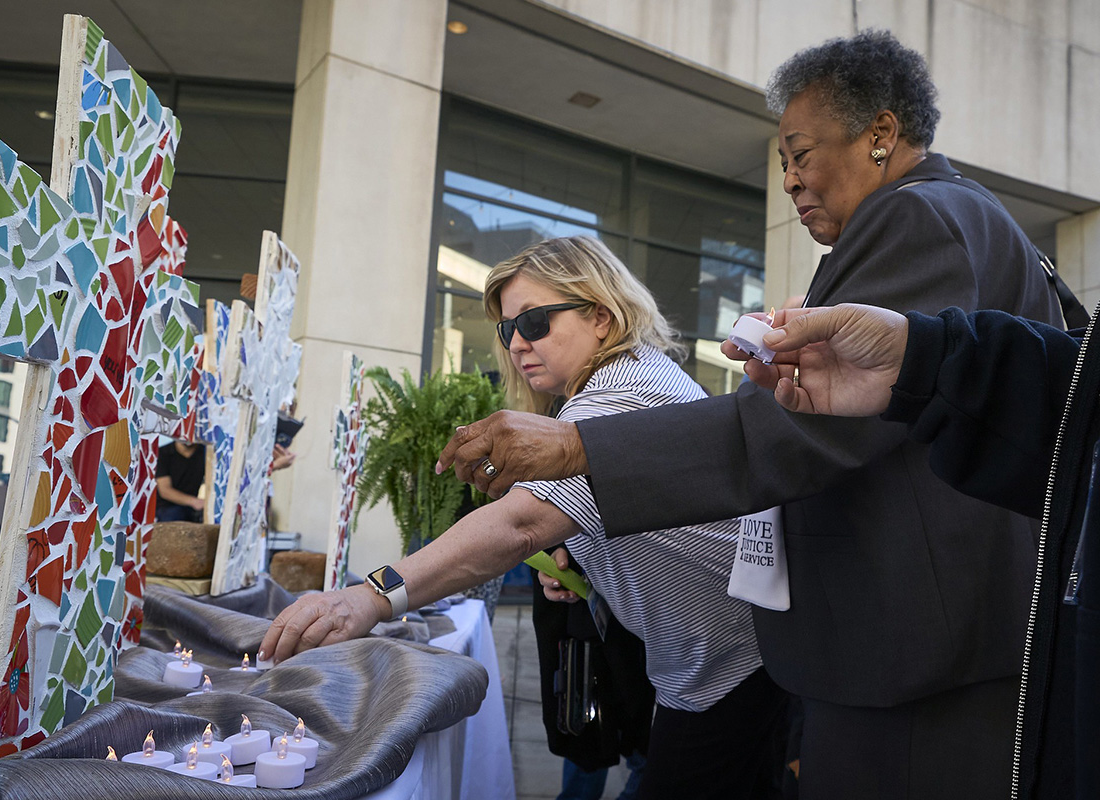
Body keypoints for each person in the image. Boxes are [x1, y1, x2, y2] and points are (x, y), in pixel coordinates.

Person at [436, 31, 1065, 799]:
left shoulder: (920, 218)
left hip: (919, 650)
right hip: (921, 642)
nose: (794, 181)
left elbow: (808, 437)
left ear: (881, 135)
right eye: (783, 166)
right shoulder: (946, 218)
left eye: (802, 154)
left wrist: (575, 446)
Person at [260, 236, 786, 797]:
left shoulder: (620, 391)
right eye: (508, 329)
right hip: (712, 666)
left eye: (533, 321)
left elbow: (518, 523)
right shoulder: (614, 385)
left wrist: (368, 596)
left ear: (602, 318)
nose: (517, 343)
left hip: (735, 668)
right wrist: (578, 555)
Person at [725, 301, 1095, 799]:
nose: (798, 214)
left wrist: (593, 450)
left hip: (918, 660)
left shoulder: (918, 223)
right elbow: (1080, 410)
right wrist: (918, 360)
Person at [155, 440, 206, 522]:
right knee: (174, 515)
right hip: (167, 507)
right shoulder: (162, 453)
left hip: (192, 507)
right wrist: (195, 502)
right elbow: (165, 491)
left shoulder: (205, 452)